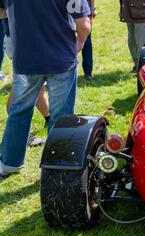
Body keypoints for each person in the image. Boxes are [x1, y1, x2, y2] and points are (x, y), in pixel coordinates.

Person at [0, 0, 91, 178]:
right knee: (61, 116)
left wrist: (12, 33)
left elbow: (2, 12)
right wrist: (79, 42)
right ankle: (56, 165)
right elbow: (84, 24)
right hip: (61, 57)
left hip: (25, 57)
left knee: (20, 110)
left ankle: (9, 163)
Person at [1, 3, 49, 146]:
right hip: (21, 38)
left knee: (36, 83)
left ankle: (50, 118)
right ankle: (24, 136)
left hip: (25, 37)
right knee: (22, 89)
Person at [120, 0, 145, 73]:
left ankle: (144, 69)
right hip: (128, 11)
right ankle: (137, 66)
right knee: (132, 43)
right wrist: (122, 9)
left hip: (142, 13)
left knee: (142, 44)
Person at [82, 0, 97, 80]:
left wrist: (93, 8)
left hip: (85, 12)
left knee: (86, 43)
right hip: (66, 12)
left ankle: (88, 73)